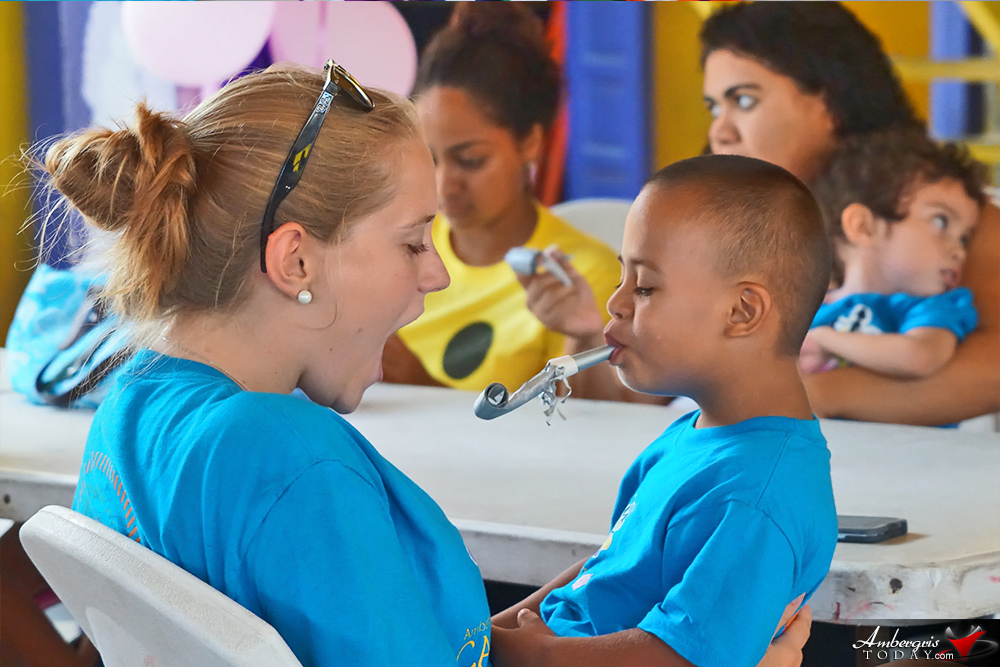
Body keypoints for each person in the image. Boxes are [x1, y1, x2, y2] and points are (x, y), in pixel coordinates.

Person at [37, 61, 811, 667]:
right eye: (412, 240)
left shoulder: (133, 403)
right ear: (297, 258)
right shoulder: (289, 463)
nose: (435, 274)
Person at [490, 155, 838, 667]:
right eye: (621, 280)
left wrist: (540, 656)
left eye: (646, 287)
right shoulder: (689, 436)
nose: (616, 304)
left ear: (742, 312)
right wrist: (497, 630)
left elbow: (685, 656)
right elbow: (609, 568)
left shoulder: (759, 495)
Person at [699, 1, 1000, 425]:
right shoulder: (713, 217)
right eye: (714, 107)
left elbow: (995, 368)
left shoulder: (943, 215)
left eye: (744, 101)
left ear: (831, 103)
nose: (720, 131)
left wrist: (822, 394)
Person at [383, 3, 644, 403]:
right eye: (430, 159)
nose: (444, 184)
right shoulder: (398, 246)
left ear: (531, 143)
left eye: (471, 160)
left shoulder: (577, 277)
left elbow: (577, 428)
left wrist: (418, 384)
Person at [802, 128, 988, 379]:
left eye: (964, 238)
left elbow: (921, 356)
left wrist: (826, 340)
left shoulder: (933, 308)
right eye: (941, 222)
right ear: (863, 227)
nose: (959, 252)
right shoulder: (805, 308)